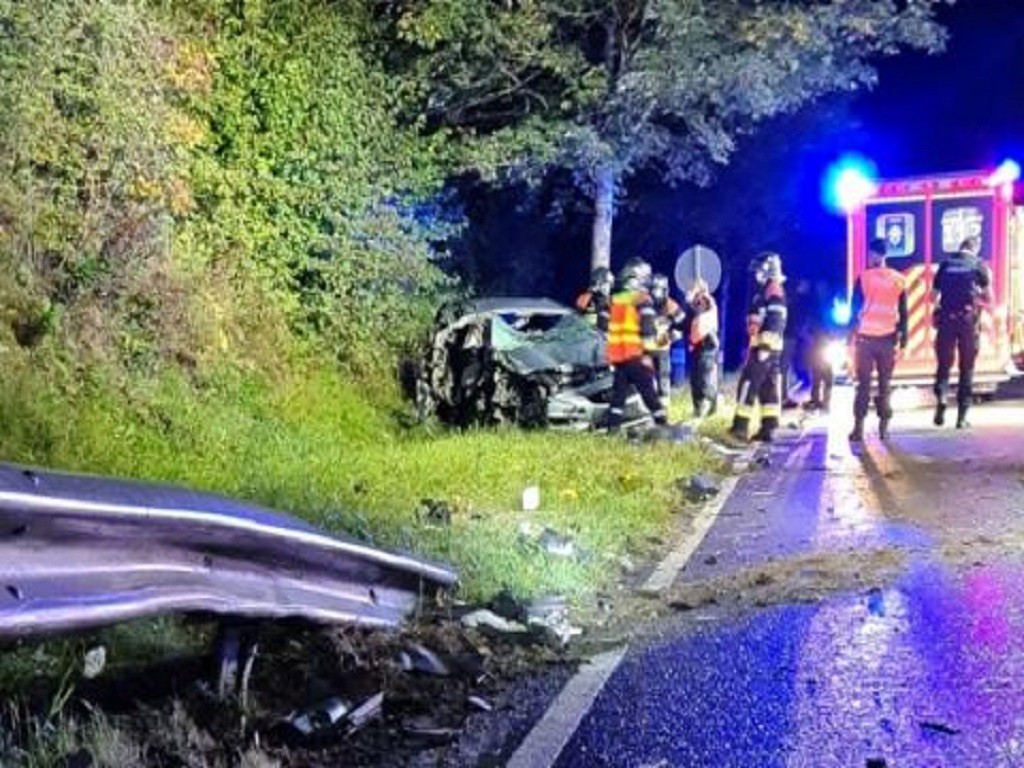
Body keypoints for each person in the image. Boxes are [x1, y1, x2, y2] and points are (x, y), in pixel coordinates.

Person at [848, 238, 908, 442]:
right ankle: (884, 429)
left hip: (866, 339)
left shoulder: (863, 278)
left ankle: (858, 429)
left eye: (871, 254)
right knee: (885, 385)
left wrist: (850, 336)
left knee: (863, 385)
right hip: (888, 340)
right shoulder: (898, 279)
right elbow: (903, 313)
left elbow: (854, 310)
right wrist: (904, 340)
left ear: (874, 254)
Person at [932, 235, 992, 428]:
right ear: (975, 249)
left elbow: (931, 297)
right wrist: (976, 300)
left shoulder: (945, 265)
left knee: (944, 364)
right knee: (966, 369)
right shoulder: (978, 265)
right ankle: (961, 417)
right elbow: (989, 299)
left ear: (960, 247)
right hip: (967, 322)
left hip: (946, 321)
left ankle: (941, 395)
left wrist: (941, 305)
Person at [729, 252, 787, 443]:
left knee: (748, 385)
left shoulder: (772, 290)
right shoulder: (768, 291)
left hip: (765, 348)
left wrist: (764, 347)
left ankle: (740, 428)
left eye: (758, 270)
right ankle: (768, 428)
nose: (755, 275)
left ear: (767, 270)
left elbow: (775, 320)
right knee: (768, 389)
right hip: (769, 348)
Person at [605, 258, 668, 432]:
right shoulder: (642, 299)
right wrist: (649, 355)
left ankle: (612, 430)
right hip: (636, 356)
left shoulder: (617, 301)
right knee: (650, 395)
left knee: (618, 398)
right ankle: (663, 426)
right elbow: (647, 330)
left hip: (619, 359)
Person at [649, 273, 687, 411]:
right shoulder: (646, 304)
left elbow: (682, 324)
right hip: (645, 347)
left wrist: (671, 336)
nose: (655, 293)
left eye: (658, 289)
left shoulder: (670, 305)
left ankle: (664, 403)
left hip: (661, 346)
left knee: (663, 374)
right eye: (653, 289)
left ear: (665, 290)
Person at [686, 278, 719, 418]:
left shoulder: (707, 301)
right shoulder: (698, 302)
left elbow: (700, 320)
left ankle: (707, 405)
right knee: (696, 378)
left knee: (705, 378)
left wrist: (691, 299)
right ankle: (700, 407)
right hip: (698, 346)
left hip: (707, 344)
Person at [575, 267, 614, 334]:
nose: (609, 287)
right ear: (598, 282)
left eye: (611, 284)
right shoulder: (588, 299)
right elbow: (589, 327)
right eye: (607, 282)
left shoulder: (609, 302)